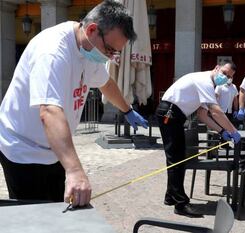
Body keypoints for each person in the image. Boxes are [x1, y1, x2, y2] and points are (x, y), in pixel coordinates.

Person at [0, 0, 148, 207]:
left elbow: (106, 83)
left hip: (54, 147)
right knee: (34, 218)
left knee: (57, 207)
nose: (110, 56)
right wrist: (75, 170)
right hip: (23, 148)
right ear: (92, 29)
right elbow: (49, 111)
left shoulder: (89, 47)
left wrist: (127, 110)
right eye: (110, 50)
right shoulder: (52, 52)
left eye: (116, 53)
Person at [156, 61, 241, 218]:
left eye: (229, 77)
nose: (225, 77)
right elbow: (215, 111)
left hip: (175, 115)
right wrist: (233, 130)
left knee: (177, 157)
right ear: (216, 67)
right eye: (224, 72)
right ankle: (180, 204)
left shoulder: (209, 85)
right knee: (177, 159)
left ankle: (170, 196)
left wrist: (222, 131)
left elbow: (203, 115)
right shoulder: (204, 81)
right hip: (170, 113)